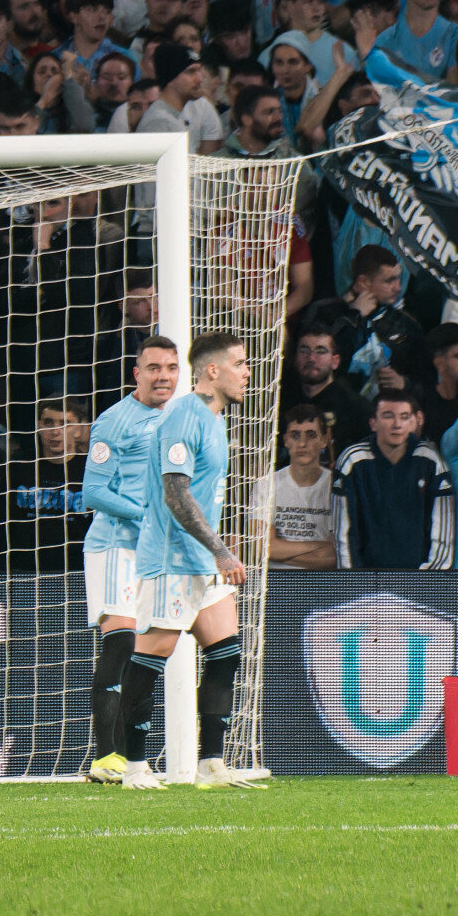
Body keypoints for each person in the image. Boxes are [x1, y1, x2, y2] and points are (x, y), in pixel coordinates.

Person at [118, 333, 268, 791]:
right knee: (151, 656)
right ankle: (135, 767)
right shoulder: (184, 416)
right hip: (172, 558)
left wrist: (214, 551)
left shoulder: (214, 418)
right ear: (212, 371)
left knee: (225, 653)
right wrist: (221, 550)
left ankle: (211, 764)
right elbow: (175, 493)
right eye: (240, 364)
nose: (248, 372)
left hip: (201, 560)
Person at [79, 337, 181, 783]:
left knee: (144, 653)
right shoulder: (115, 421)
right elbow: (93, 491)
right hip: (114, 546)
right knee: (120, 643)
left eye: (171, 368)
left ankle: (131, 758)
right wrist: (146, 515)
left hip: (156, 551)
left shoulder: (181, 418)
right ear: (137, 374)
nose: (163, 376)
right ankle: (105, 757)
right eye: (154, 368)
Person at [332, 392, 456, 570]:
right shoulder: (352, 461)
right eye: (388, 416)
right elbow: (343, 535)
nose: (397, 424)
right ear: (373, 423)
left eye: (404, 417)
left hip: (420, 580)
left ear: (414, 421)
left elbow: (444, 537)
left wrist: (425, 580)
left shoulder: (432, 461)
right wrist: (356, 580)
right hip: (366, 580)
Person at [256, 405, 338, 570]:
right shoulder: (266, 485)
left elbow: (334, 556)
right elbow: (260, 548)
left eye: (311, 435)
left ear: (324, 440)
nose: (302, 443)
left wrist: (279, 550)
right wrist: (319, 546)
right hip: (274, 579)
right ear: (285, 440)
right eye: (295, 435)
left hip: (322, 580)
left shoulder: (335, 486)